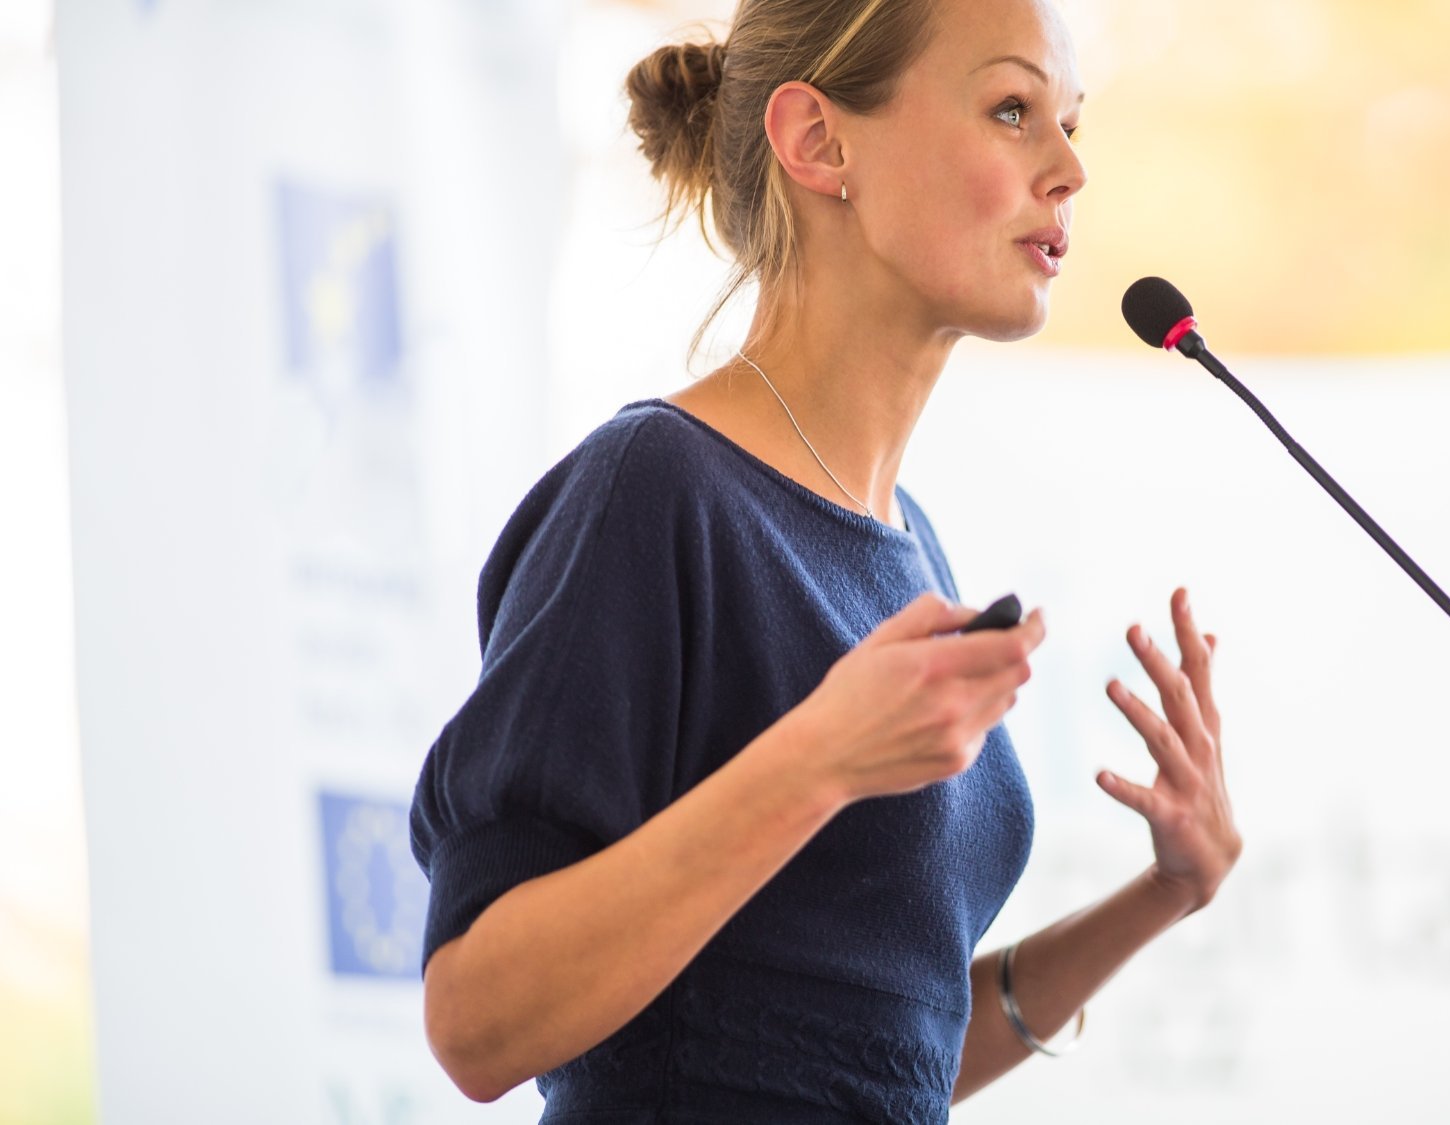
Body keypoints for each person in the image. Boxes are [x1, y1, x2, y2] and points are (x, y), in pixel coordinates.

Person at [408, 0, 1243, 1119]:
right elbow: (475, 1023)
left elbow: (870, 1059)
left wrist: (1162, 894)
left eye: (1070, 126)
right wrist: (817, 763)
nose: (1067, 172)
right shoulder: (653, 492)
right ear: (816, 143)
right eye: (1011, 109)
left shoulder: (911, 547)